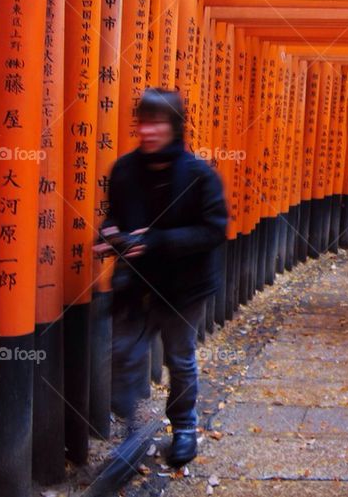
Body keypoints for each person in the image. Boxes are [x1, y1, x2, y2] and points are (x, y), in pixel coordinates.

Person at [95, 87, 227, 468]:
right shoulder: (124, 170)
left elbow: (213, 231)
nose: (148, 132)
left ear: (174, 126)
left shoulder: (200, 175)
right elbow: (115, 218)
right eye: (144, 123)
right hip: (135, 284)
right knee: (124, 353)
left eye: (158, 123)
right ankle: (131, 429)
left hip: (184, 287)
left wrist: (156, 241)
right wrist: (109, 236)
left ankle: (184, 426)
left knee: (179, 358)